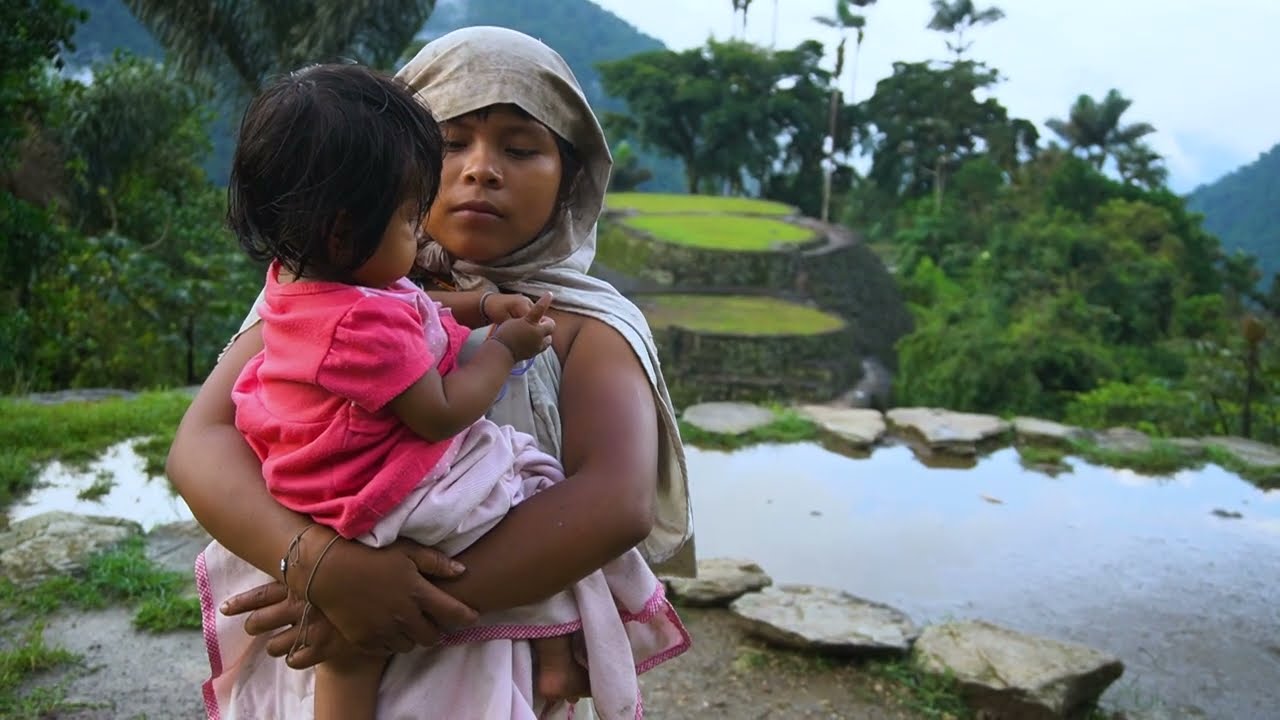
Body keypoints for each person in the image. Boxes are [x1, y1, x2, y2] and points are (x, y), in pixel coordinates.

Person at [168, 26, 695, 720]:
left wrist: (392, 601)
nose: (482, 169)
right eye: (452, 142)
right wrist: (324, 567)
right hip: (319, 621)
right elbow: (202, 443)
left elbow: (615, 500)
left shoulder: (583, 325)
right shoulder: (329, 294)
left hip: (489, 649)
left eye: (521, 146)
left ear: (571, 175)